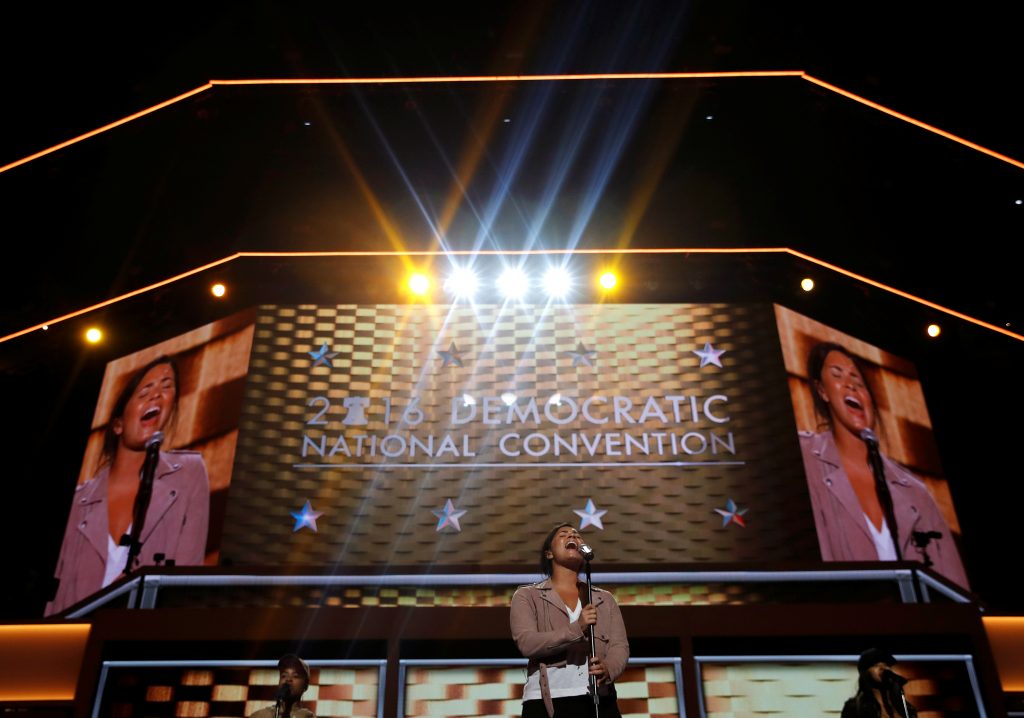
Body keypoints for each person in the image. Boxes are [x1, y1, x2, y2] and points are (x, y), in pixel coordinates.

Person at [45, 355, 210, 615]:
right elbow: (55, 596)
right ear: (118, 425)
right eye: (145, 391)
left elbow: (187, 577)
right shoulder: (80, 501)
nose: (156, 395)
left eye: (166, 387)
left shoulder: (189, 474)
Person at [798, 342, 969, 588]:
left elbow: (955, 588)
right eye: (837, 375)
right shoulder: (805, 459)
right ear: (822, 391)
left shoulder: (914, 491)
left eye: (857, 379)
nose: (851, 384)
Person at [510, 522, 629, 718]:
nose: (573, 536)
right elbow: (527, 643)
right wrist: (578, 628)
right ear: (549, 553)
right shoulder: (527, 595)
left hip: (599, 700)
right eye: (563, 535)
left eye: (577, 535)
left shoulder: (603, 599)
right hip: (547, 702)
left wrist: (608, 668)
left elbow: (620, 646)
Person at [841, 648, 917, 718]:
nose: (883, 668)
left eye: (885, 665)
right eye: (876, 665)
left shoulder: (905, 707)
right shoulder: (854, 707)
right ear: (865, 672)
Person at [248, 654, 315, 718]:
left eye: (295, 676)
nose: (288, 679)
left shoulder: (308, 716)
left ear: (305, 685)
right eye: (284, 676)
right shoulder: (260, 716)